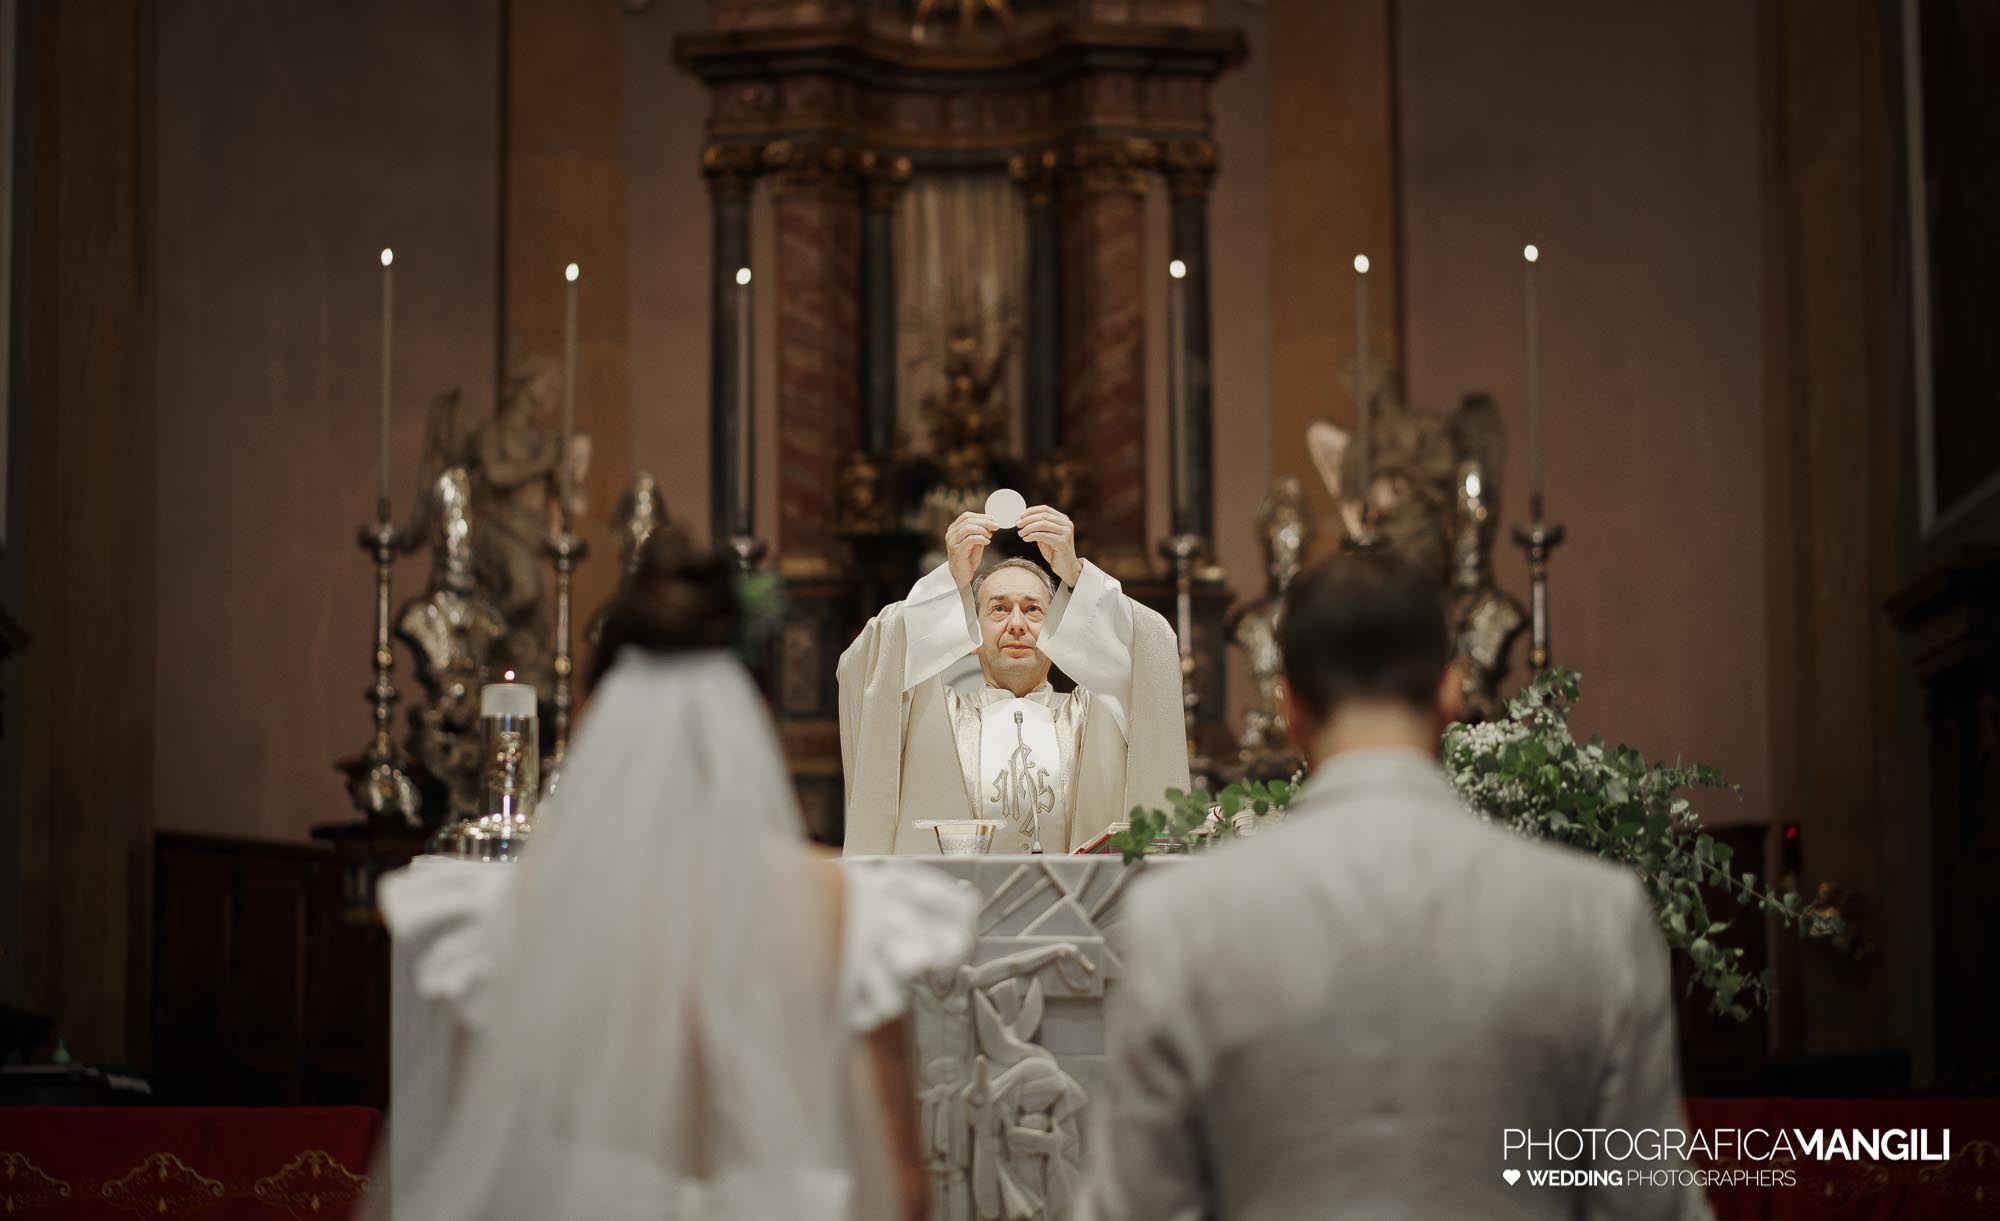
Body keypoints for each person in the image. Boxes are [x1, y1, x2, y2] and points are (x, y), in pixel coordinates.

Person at [1081, 551, 1709, 1221]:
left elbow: (1136, 1208)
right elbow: (1649, 1207)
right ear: (1452, 690)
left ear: (1287, 704)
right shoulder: (1595, 915)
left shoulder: (1181, 921)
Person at [378, 532, 973, 1221]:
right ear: (757, 717)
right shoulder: (845, 904)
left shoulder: (520, 905)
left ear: (594, 712)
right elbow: (903, 1189)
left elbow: (477, 1161)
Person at [839, 505, 1188, 855]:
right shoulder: (931, 715)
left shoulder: (1095, 717)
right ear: (972, 634)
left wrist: (1075, 572)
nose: (1017, 624)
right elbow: (868, 664)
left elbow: (1150, 648)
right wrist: (950, 581)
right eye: (999, 609)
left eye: (1034, 609)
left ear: (1060, 631)